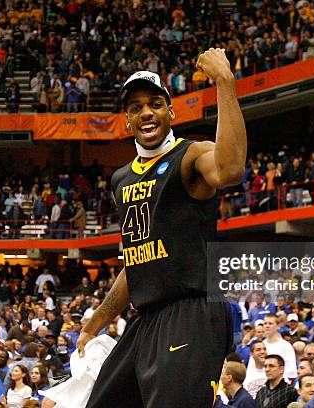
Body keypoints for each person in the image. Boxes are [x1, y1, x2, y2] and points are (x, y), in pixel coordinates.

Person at [76, 49, 247, 408]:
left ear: (170, 112)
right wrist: (97, 321)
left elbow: (230, 169)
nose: (146, 112)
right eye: (136, 107)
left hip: (191, 310)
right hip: (147, 317)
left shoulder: (190, 155)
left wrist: (226, 84)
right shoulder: (121, 178)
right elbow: (137, 263)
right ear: (128, 120)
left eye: (154, 103)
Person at [263, 314, 298, 380]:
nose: (267, 326)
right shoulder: (262, 345)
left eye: (270, 323)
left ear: (278, 326)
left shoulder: (286, 346)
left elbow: (292, 371)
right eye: (265, 323)